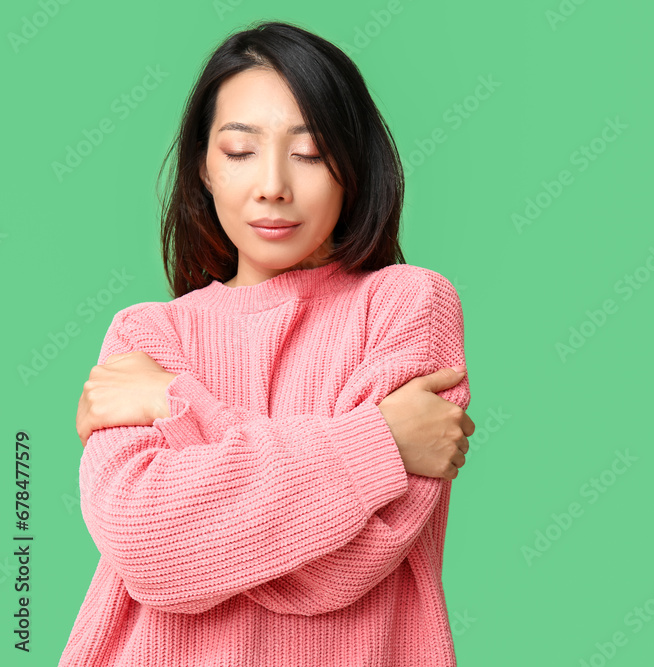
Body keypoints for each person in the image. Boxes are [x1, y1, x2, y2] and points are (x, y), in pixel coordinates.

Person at [58, 20, 474, 667]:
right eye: (239, 150)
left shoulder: (408, 305)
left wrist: (179, 408)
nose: (273, 184)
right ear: (203, 164)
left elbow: (337, 571)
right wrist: (379, 442)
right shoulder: (145, 335)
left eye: (308, 152)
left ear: (353, 165)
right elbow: (149, 548)